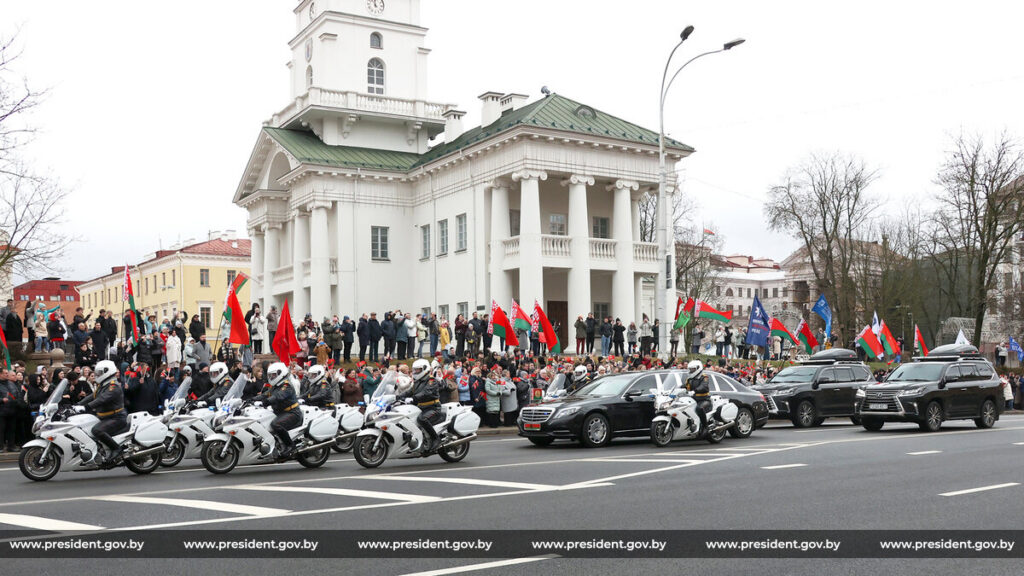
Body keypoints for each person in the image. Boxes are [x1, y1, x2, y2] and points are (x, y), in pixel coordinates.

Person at [74, 360, 127, 463]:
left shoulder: (113, 386)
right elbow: (92, 396)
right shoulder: (104, 385)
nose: (97, 375)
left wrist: (86, 407)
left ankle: (117, 449)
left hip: (117, 417)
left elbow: (102, 399)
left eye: (99, 373)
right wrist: (77, 405)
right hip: (105, 417)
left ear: (107, 371)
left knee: (97, 430)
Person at [259, 362, 303, 459]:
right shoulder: (275, 386)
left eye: (274, 375)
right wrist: (250, 399)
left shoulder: (286, 386)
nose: (271, 377)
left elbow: (278, 396)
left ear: (281, 373)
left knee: (276, 424)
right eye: (270, 375)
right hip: (281, 412)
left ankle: (290, 446)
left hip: (292, 412)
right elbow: (265, 395)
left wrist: (267, 401)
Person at [398, 359, 442, 451]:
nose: (415, 371)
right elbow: (409, 392)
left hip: (433, 407)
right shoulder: (417, 381)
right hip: (421, 407)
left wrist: (413, 398)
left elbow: (426, 392)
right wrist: (396, 397)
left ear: (425, 369)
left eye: (418, 369)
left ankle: (436, 439)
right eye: (415, 369)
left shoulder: (431, 380)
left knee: (422, 419)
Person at [685, 359, 712, 434]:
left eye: (693, 369)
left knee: (699, 408)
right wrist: (677, 389)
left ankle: (705, 426)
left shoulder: (704, 377)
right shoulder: (690, 378)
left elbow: (704, 386)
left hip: (704, 399)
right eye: (690, 369)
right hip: (693, 399)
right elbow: (685, 386)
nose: (691, 370)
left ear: (698, 368)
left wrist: (694, 391)